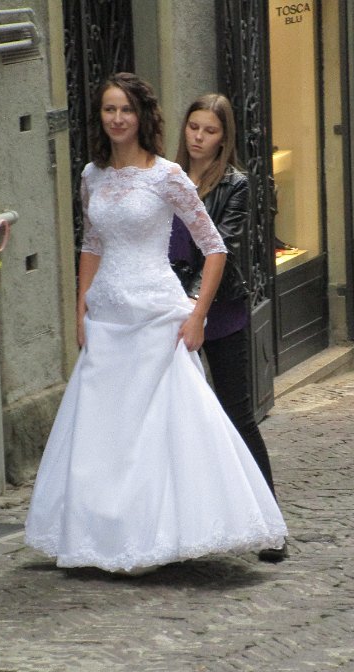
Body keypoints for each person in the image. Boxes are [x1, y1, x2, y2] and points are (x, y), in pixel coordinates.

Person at [25, 73, 287, 575]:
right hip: (107, 316)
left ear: (143, 117)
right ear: (100, 118)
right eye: (108, 110)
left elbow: (215, 246)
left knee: (167, 427)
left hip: (157, 314)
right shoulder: (90, 175)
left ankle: (164, 533)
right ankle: (102, 536)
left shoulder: (167, 175)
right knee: (106, 430)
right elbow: (91, 244)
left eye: (126, 110)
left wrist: (196, 315)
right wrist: (80, 310)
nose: (117, 119)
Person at [169, 94, 287, 563]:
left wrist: (193, 303)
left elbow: (224, 245)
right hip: (166, 309)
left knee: (237, 416)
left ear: (225, 137)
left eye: (209, 131)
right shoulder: (167, 175)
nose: (198, 137)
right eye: (193, 127)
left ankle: (272, 527)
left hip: (217, 310)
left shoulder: (235, 183)